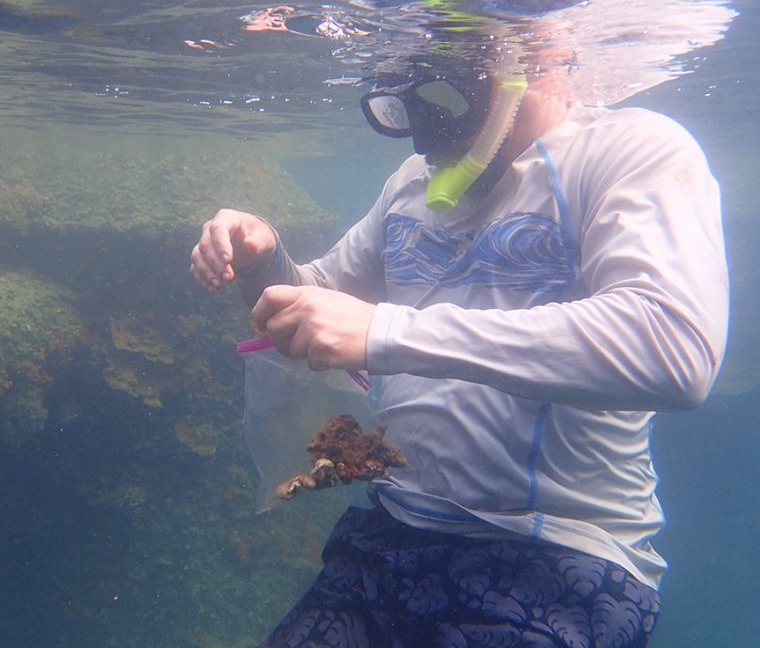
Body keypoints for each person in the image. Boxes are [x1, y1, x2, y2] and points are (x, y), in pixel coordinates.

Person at [189, 50, 729, 647]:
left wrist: (386, 333)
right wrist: (263, 260)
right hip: (394, 529)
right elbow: (323, 312)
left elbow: (672, 345)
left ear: (513, 72)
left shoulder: (631, 151)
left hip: (558, 553)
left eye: (440, 100)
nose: (421, 135)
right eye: (400, 108)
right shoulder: (410, 182)